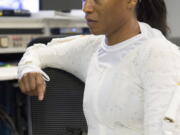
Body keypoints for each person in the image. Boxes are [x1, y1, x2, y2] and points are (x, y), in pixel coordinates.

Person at [18, 0, 180, 134]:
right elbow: (38, 51)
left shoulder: (158, 54)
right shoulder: (93, 48)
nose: (86, 8)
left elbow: (164, 131)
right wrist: (29, 68)